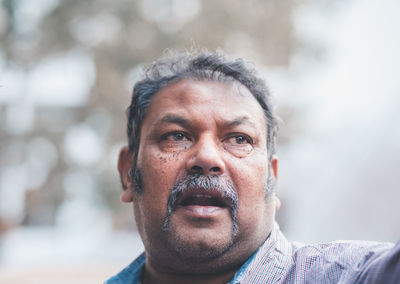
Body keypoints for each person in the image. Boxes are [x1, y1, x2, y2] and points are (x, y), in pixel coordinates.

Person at [105, 50, 399, 284]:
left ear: (272, 178)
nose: (207, 157)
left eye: (238, 139)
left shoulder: (357, 276)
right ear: (129, 172)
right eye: (177, 136)